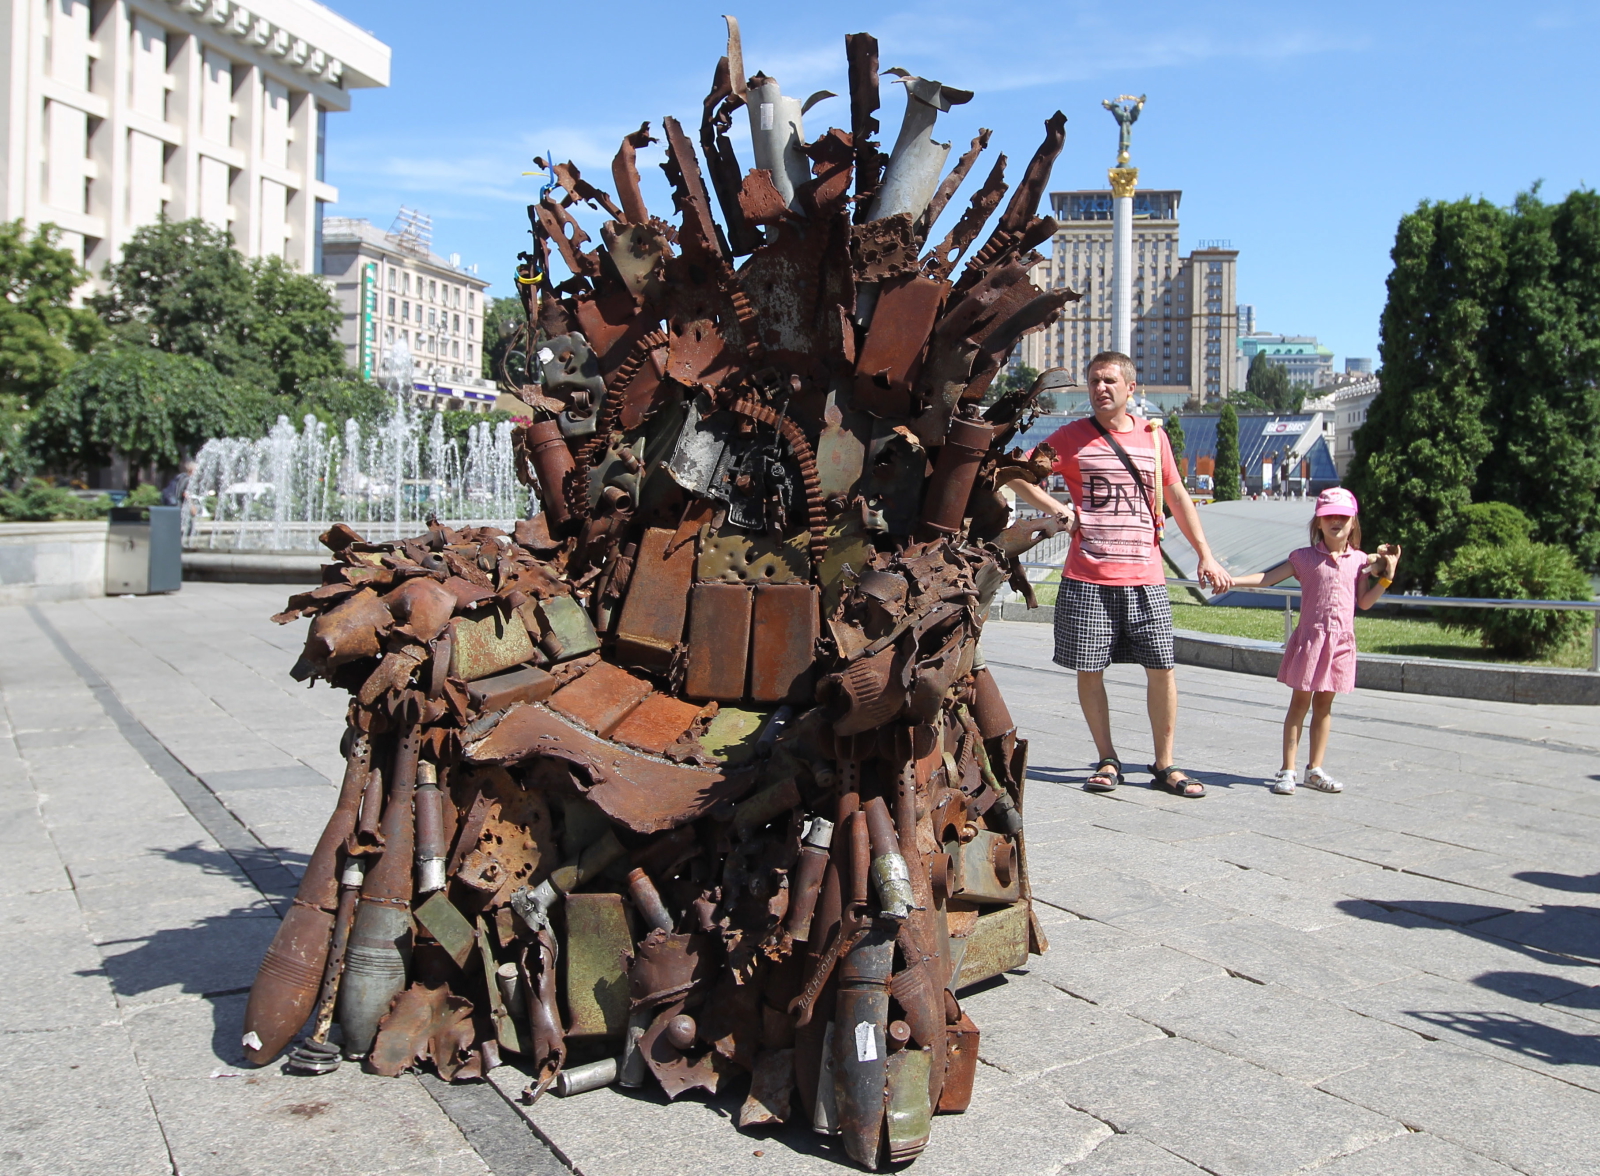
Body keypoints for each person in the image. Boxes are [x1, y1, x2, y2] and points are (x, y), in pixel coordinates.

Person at [1007, 352, 1233, 798]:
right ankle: (1107, 758)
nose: (1099, 388)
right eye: (1093, 381)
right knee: (1091, 669)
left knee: (1162, 667)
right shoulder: (1071, 437)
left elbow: (1178, 497)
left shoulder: (1154, 438)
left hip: (1145, 577)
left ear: (1130, 389)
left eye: (1109, 381)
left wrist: (1205, 554)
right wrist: (1057, 509)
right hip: (1089, 575)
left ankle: (1165, 763)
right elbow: (1015, 472)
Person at [1230, 487, 1400, 794]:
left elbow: (1364, 602)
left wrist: (1386, 577)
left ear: (1353, 523)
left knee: (1324, 706)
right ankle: (1288, 769)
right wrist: (1230, 580)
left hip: (1340, 646)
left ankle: (1315, 769)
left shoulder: (1359, 561)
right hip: (1311, 642)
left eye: (1343, 517)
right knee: (1299, 704)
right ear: (1318, 523)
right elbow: (1267, 578)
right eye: (1329, 516)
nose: (1336, 521)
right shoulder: (1304, 558)